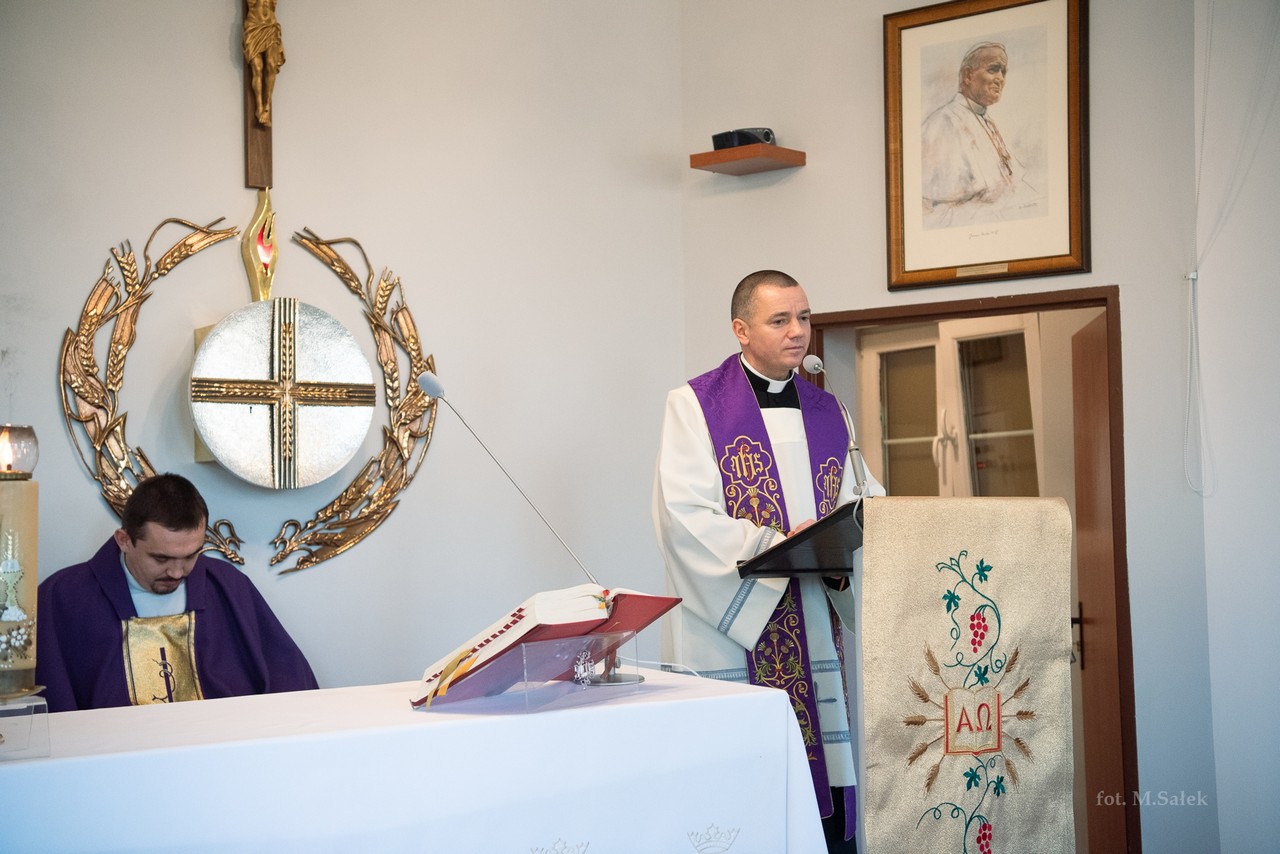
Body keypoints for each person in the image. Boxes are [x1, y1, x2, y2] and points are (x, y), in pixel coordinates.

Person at [652, 270, 884, 853]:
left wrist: (841, 555)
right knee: (741, 809)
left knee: (822, 807)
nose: (797, 331)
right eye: (780, 320)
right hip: (733, 636)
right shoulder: (696, 405)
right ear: (741, 330)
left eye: (803, 317)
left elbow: (865, 506)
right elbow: (683, 517)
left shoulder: (831, 413)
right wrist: (776, 546)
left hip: (816, 622)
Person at [36, 473, 318, 712]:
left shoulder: (227, 586)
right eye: (161, 559)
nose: (177, 572)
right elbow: (50, 703)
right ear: (124, 540)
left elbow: (288, 679)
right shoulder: (64, 597)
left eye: (191, 556)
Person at [920, 41, 1032, 227]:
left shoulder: (986, 120)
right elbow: (933, 211)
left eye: (1003, 72)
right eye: (993, 69)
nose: (1000, 78)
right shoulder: (942, 122)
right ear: (968, 76)